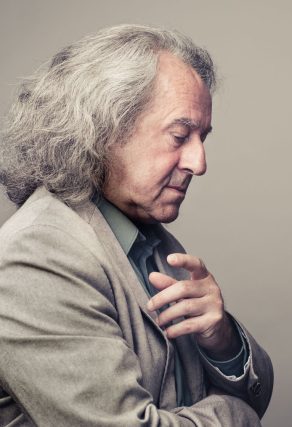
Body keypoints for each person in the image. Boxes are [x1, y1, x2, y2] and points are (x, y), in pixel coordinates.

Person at [0, 25, 273, 426]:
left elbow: (257, 388)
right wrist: (238, 415)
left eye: (202, 138)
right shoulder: (36, 258)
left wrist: (222, 340)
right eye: (180, 136)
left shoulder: (152, 241)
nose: (199, 163)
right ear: (104, 131)